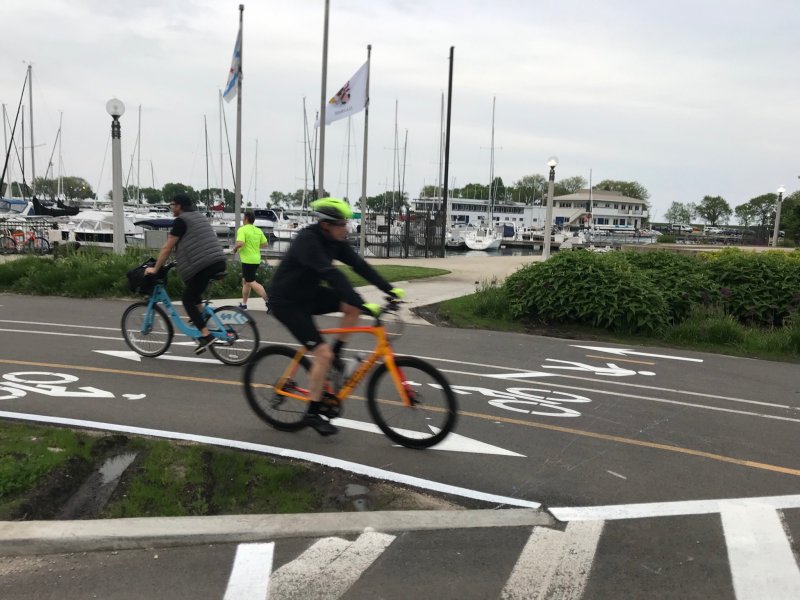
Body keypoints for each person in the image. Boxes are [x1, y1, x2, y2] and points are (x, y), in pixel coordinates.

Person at [267, 197, 405, 436]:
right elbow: (332, 276)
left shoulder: (334, 240)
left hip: (308, 294)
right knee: (322, 353)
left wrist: (388, 290)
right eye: (343, 224)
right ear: (326, 224)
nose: (347, 228)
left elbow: (360, 266)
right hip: (286, 302)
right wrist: (363, 303)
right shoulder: (308, 241)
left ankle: (336, 359)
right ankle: (312, 412)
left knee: (351, 309)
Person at [145, 193, 226, 354]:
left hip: (205, 265)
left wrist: (155, 269)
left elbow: (167, 248)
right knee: (194, 293)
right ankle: (204, 322)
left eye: (172, 205)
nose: (171, 208)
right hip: (218, 261)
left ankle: (206, 335)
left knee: (187, 300)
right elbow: (197, 242)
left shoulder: (181, 221)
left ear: (179, 206)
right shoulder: (199, 216)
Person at [232, 211, 269, 310]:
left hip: (248, 260)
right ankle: (244, 304)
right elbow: (265, 244)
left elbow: (240, 243)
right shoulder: (258, 230)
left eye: (243, 218)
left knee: (251, 282)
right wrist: (255, 246)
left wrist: (234, 250)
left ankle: (269, 301)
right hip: (256, 259)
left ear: (246, 219)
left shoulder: (242, 230)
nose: (243, 220)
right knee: (246, 281)